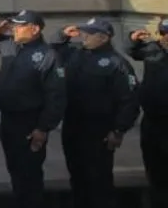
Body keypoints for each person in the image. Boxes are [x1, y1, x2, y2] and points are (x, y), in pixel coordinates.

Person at [51, 18, 139, 208]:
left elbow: (129, 100)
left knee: (98, 182)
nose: (84, 36)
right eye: (84, 32)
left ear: (103, 37)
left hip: (99, 132)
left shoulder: (117, 63)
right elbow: (55, 49)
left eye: (90, 33)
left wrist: (118, 130)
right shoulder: (76, 55)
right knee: (77, 177)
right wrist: (63, 35)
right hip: (73, 127)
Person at [0, 10, 66, 208]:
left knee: (29, 175)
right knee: (15, 171)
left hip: (30, 123)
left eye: (19, 25)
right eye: (14, 25)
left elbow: (56, 96)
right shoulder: (12, 46)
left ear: (35, 29)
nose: (14, 29)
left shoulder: (48, 55)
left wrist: (43, 127)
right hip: (8, 120)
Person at [129, 21, 168, 206]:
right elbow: (132, 51)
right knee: (155, 169)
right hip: (153, 121)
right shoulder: (153, 49)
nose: (166, 37)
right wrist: (134, 39)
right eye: (163, 32)